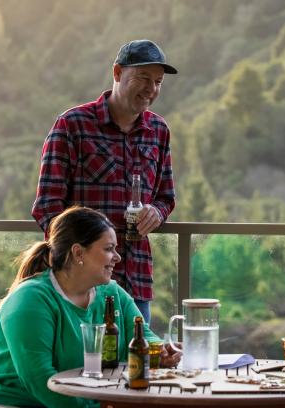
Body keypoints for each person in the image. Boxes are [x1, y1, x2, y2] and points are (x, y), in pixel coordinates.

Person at [0, 206, 181, 408]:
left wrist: (161, 352)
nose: (117, 257)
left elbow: (142, 336)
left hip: (72, 407)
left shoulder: (111, 294)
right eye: (108, 248)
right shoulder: (31, 300)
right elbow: (39, 378)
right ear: (78, 252)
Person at [32, 39, 177, 325]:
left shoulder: (158, 131)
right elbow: (47, 207)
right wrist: (77, 258)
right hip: (80, 286)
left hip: (135, 282)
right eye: (143, 78)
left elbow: (166, 197)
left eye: (158, 82)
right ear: (117, 73)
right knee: (82, 365)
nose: (151, 89)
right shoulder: (72, 125)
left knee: (137, 365)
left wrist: (156, 212)